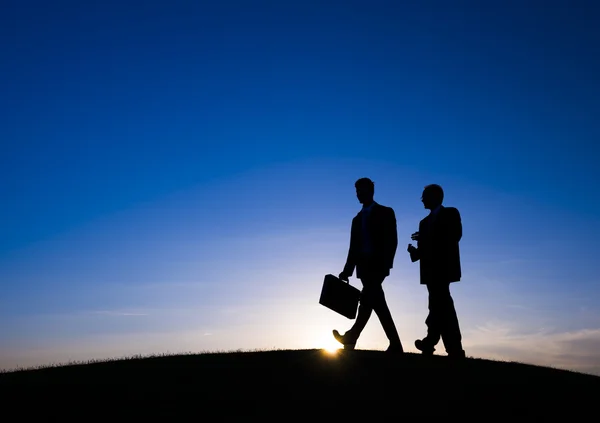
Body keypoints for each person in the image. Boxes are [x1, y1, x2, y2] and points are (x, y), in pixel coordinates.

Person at [332, 177, 403, 353]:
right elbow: (353, 247)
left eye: (361, 190)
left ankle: (351, 336)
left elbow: (392, 240)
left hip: (378, 266)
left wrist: (387, 265)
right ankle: (395, 344)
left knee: (367, 300)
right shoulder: (356, 219)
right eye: (356, 191)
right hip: (363, 267)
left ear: (370, 191)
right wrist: (347, 270)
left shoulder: (386, 212)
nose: (358, 194)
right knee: (377, 303)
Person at [407, 184, 465, 358]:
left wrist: (426, 238)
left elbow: (455, 236)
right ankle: (443, 345)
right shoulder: (423, 223)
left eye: (424, 195)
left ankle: (435, 342)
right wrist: (414, 252)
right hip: (429, 270)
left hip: (444, 267)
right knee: (440, 306)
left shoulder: (451, 213)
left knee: (440, 305)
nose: (422, 199)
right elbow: (424, 249)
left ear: (435, 196)